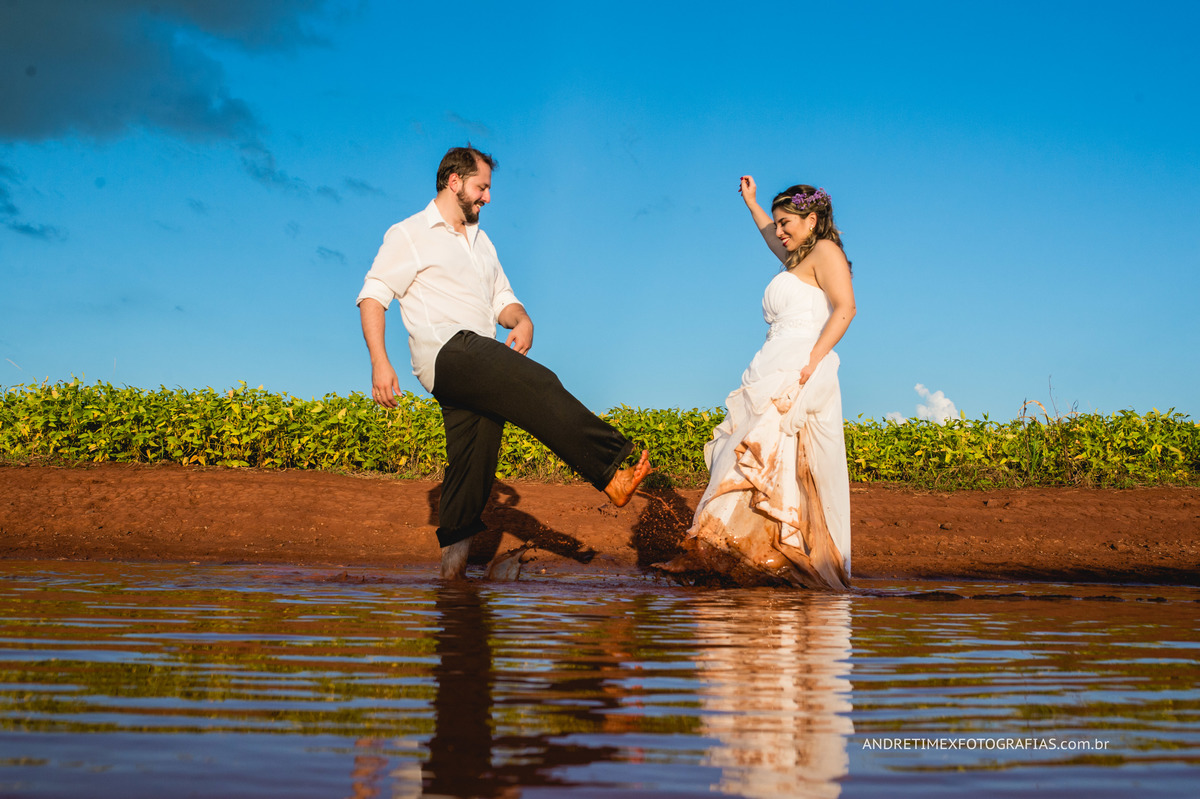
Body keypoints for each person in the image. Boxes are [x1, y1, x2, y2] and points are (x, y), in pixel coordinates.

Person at [356, 146, 651, 579]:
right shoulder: (409, 233)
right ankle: (609, 471)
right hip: (447, 351)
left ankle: (451, 574)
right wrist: (380, 362)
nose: (487, 198)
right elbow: (372, 296)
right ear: (454, 182)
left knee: (473, 463)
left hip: (476, 361)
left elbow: (503, 302)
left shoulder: (482, 242)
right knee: (539, 383)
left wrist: (523, 319)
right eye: (482, 187)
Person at [658, 176, 855, 589]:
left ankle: (758, 551)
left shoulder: (825, 251)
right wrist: (751, 204)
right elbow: (769, 234)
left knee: (771, 457)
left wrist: (812, 362)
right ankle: (718, 547)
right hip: (771, 361)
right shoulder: (796, 258)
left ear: (812, 219)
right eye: (778, 224)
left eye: (787, 223)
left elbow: (846, 308)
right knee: (745, 452)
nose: (779, 231)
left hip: (798, 363)